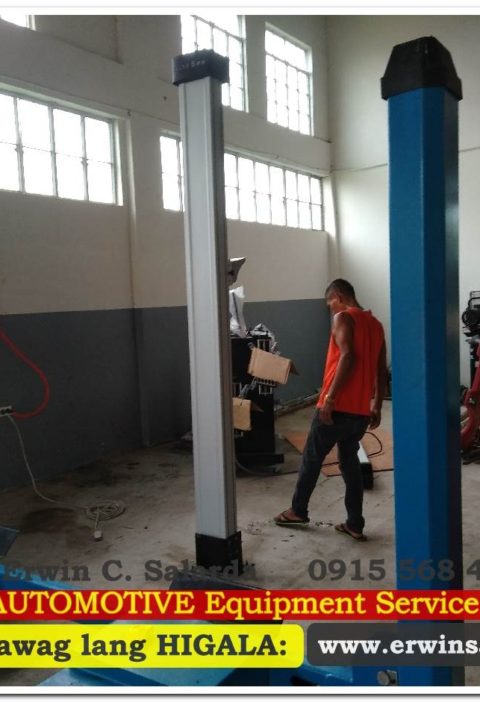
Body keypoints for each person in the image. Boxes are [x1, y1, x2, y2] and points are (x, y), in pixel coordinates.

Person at [274, 279, 387, 540]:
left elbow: (348, 357)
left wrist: (330, 399)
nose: (330, 310)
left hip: (336, 409)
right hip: (360, 412)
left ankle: (298, 511)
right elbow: (381, 370)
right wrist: (377, 405)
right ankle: (354, 523)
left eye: (330, 304)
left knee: (312, 458)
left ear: (338, 296)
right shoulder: (376, 325)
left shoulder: (343, 318)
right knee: (349, 463)